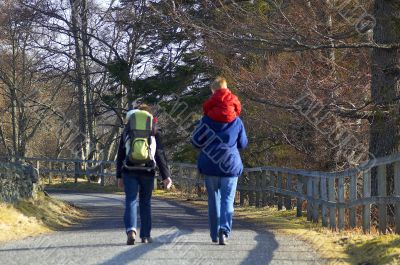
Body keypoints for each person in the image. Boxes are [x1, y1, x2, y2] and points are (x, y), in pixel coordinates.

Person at [192, 77, 248, 245]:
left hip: (210, 164)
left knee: (213, 200)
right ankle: (224, 231)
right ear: (227, 89)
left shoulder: (206, 119)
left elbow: (195, 141)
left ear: (213, 92)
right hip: (230, 164)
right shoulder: (237, 121)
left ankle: (214, 234)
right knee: (227, 200)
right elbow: (243, 144)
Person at [116, 104, 172, 245]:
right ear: (149, 117)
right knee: (145, 202)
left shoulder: (127, 130)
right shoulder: (154, 130)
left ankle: (131, 231)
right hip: (147, 170)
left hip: (129, 170)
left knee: (130, 200)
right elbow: (159, 155)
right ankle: (145, 235)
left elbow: (121, 154)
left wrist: (118, 175)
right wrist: (166, 176)